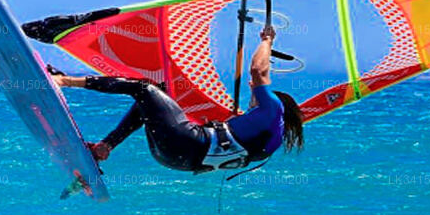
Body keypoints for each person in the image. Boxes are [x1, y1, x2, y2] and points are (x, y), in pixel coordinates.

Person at [49, 24, 304, 174]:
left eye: (256, 95)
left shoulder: (273, 107)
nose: (252, 91)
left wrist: (267, 41)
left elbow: (258, 72)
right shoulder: (268, 139)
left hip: (187, 143)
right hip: (176, 160)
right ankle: (104, 147)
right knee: (152, 101)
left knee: (145, 89)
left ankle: (64, 81)